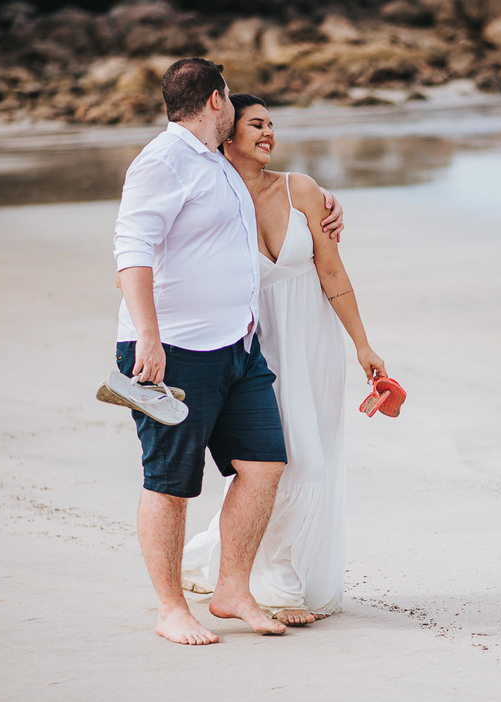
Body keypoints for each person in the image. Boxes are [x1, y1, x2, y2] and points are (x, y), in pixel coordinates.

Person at [113, 58, 343, 645]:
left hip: (238, 346)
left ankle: (232, 590)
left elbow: (265, 184)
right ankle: (170, 609)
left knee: (264, 464)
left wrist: (324, 199)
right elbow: (131, 252)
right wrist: (148, 338)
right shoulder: (162, 162)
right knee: (170, 482)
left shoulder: (215, 161)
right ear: (217, 101)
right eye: (231, 99)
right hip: (176, 350)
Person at [180, 93, 387, 626]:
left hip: (313, 342)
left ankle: (254, 567)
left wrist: (362, 344)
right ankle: (275, 582)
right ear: (226, 134)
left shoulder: (303, 190)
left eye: (272, 124)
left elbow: (332, 271)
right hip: (252, 347)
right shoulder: (211, 197)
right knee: (275, 462)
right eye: (256, 124)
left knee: (313, 457)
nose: (269, 133)